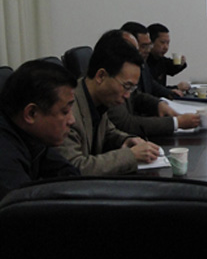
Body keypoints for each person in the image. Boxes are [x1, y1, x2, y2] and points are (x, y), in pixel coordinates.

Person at [58, 30, 160, 175]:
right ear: (101, 76)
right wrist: (130, 155)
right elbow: (76, 167)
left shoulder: (98, 99)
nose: (127, 96)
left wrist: (128, 140)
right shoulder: (68, 111)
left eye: (132, 88)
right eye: (126, 86)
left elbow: (108, 132)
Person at [0, 61, 80, 198]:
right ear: (31, 113)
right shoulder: (4, 157)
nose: (72, 120)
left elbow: (69, 175)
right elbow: (21, 207)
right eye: (65, 111)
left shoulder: (31, 136)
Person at [107, 31, 201, 136]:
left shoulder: (142, 65)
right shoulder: (110, 87)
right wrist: (176, 122)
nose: (147, 50)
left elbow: (136, 96)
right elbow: (126, 124)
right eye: (143, 47)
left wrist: (158, 104)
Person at [121, 21, 180, 99]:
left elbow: (150, 83)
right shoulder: (120, 68)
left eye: (149, 46)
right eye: (144, 46)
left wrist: (168, 92)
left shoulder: (142, 62)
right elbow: (135, 96)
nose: (148, 50)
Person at [147, 23, 190, 92]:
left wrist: (181, 63)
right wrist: (176, 87)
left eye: (168, 43)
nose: (166, 47)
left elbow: (172, 68)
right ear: (150, 42)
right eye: (162, 42)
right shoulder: (144, 62)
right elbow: (152, 89)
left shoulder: (160, 59)